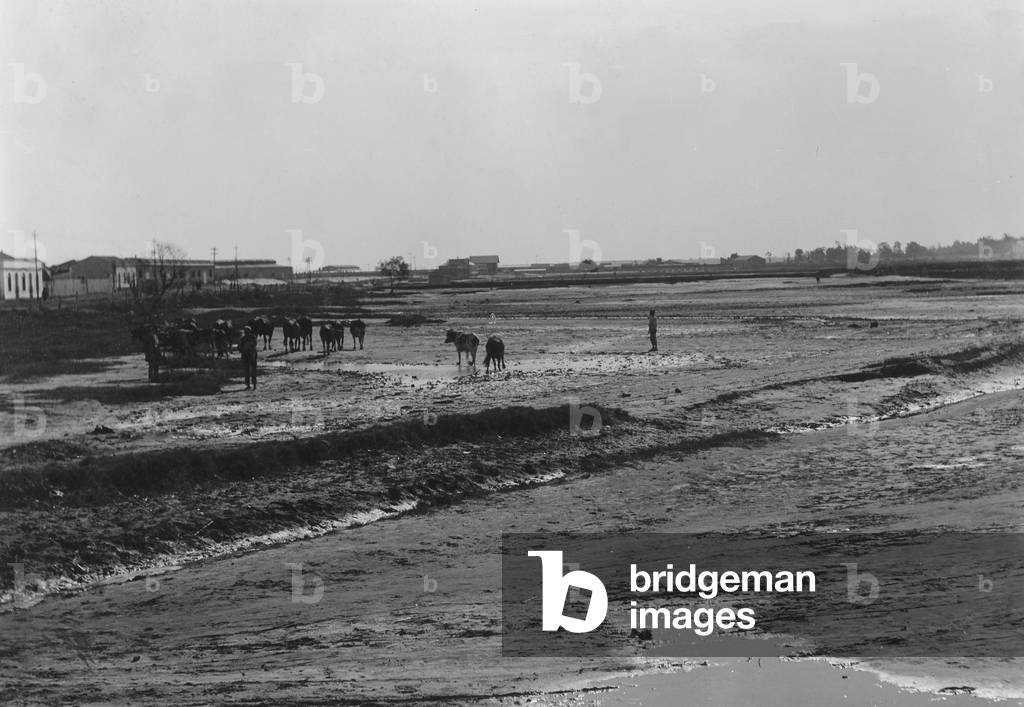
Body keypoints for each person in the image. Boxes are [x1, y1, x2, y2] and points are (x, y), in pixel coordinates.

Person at [239, 325, 258, 390]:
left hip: (247, 355)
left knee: (247, 370)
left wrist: (243, 350)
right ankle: (254, 384)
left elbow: (240, 347)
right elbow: (255, 344)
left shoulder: (243, 338)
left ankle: (249, 385)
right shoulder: (253, 337)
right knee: (253, 370)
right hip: (252, 354)